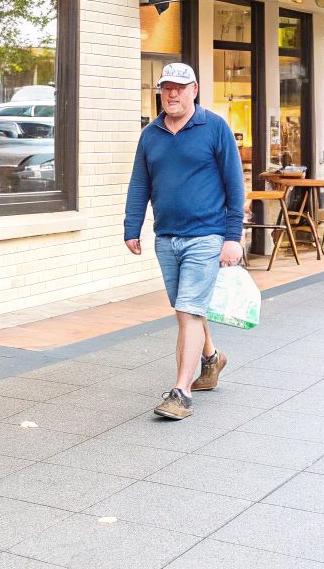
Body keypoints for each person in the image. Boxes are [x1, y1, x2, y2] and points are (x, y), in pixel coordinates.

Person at [124, 62, 244, 420]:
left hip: (206, 236)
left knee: (187, 311)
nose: (172, 94)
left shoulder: (215, 128)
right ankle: (211, 358)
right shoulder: (151, 134)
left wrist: (232, 237)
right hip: (166, 237)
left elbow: (234, 184)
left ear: (194, 89)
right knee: (187, 309)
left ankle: (181, 392)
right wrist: (132, 225)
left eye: (179, 87)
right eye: (166, 88)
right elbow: (139, 183)